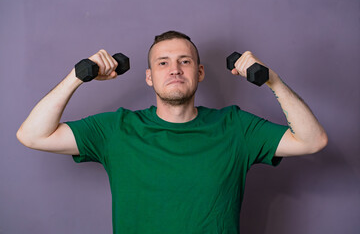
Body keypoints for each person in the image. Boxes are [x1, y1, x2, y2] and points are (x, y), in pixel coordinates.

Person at [17, 31, 328, 234]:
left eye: (185, 61)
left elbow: (313, 141)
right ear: (150, 78)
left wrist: (272, 81)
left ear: (199, 72)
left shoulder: (236, 127)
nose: (175, 69)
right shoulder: (116, 129)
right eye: (163, 63)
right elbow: (32, 135)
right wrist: (77, 76)